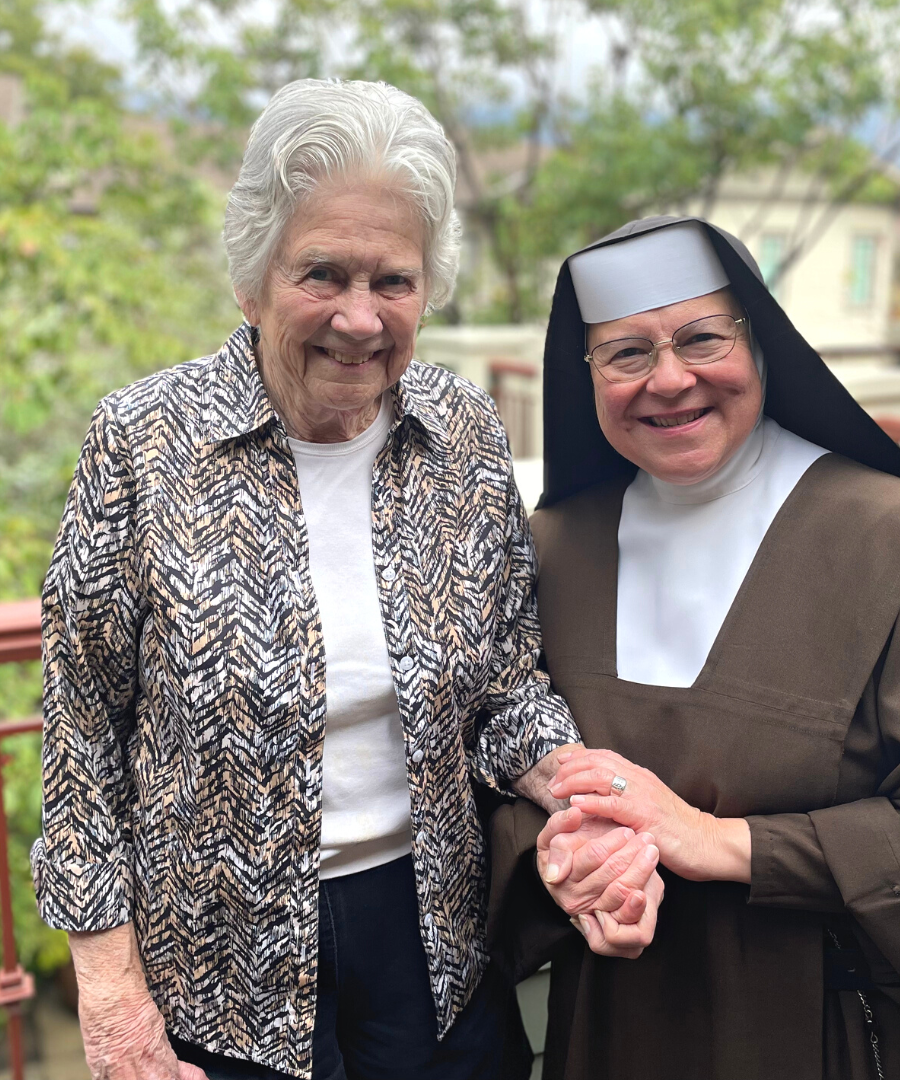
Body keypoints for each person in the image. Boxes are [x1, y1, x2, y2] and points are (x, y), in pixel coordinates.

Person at [28, 78, 664, 1080]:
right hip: (217, 974)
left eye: (395, 281)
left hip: (435, 944)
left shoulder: (462, 435)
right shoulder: (145, 441)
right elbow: (81, 729)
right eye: (322, 273)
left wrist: (581, 792)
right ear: (251, 279)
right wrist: (110, 995)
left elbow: (504, 687)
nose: (361, 321)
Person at [488, 216, 900, 1079]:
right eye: (626, 353)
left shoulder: (895, 544)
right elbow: (491, 751)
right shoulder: (554, 548)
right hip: (609, 1023)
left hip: (830, 1033)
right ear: (587, 378)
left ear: (761, 344)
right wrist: (557, 860)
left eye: (701, 338)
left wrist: (720, 842)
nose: (670, 379)